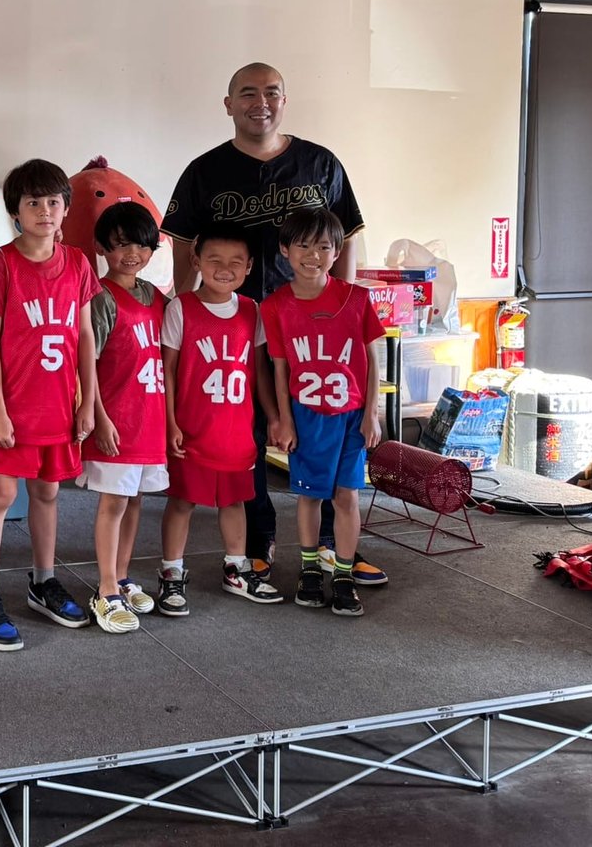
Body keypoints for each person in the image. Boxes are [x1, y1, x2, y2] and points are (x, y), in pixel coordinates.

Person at [161, 63, 387, 587]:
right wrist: (184, 309)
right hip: (235, 326)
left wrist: (345, 306)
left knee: (325, 432)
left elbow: (346, 238)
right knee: (250, 436)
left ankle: (332, 546)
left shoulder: (320, 163)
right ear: (228, 104)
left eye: (271, 93)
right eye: (247, 93)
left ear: (285, 100)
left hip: (310, 328)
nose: (259, 103)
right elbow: (182, 244)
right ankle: (258, 543)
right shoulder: (204, 171)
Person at [0, 159, 99, 649]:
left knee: (47, 493)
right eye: (33, 203)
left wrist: (87, 400)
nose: (44, 211)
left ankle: (43, 580)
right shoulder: (3, 264)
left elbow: (84, 335)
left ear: (65, 207)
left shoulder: (79, 264)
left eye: (53, 201)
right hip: (15, 407)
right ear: (15, 212)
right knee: (2, 495)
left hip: (59, 405)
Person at [157, 223, 285, 616]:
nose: (224, 269)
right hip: (192, 429)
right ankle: (171, 571)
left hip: (236, 430)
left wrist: (274, 417)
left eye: (235, 261)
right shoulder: (180, 308)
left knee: (235, 501)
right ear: (196, 261)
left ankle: (236, 568)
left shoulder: (252, 310)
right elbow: (168, 371)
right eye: (214, 259)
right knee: (182, 501)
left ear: (249, 267)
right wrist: (169, 422)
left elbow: (260, 370)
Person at [262, 208, 384, 616]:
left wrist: (372, 413)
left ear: (336, 252)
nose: (313, 255)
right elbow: (280, 369)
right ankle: (310, 568)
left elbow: (372, 360)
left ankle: (344, 574)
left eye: (323, 247)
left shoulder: (357, 299)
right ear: (284, 250)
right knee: (309, 495)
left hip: (350, 415)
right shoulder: (276, 306)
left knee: (347, 494)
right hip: (306, 415)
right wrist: (284, 419)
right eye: (303, 245)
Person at [79, 202, 169, 633]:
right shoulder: (99, 298)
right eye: (121, 245)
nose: (132, 254)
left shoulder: (156, 296)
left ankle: (122, 574)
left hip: (149, 418)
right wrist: (99, 417)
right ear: (102, 248)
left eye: (142, 245)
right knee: (113, 501)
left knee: (135, 500)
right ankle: (105, 589)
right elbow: (87, 365)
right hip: (116, 419)